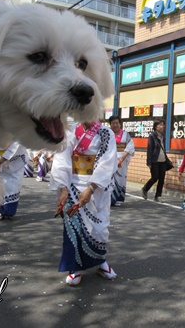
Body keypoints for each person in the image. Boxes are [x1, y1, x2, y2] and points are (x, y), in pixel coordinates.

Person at [50, 120, 118, 286]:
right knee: (74, 228)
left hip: (98, 188)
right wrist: (63, 187)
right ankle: (75, 268)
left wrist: (91, 188)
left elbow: (107, 162)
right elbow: (61, 157)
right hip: (72, 185)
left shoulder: (105, 132)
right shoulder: (69, 130)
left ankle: (100, 261)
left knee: (100, 228)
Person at [0, 142, 28, 221]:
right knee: (0, 187)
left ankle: (9, 212)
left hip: (16, 164)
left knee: (13, 188)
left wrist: (0, 161)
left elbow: (14, 148)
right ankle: (0, 211)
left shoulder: (16, 134)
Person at [109, 115, 134, 207]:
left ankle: (115, 199)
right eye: (113, 123)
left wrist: (123, 157)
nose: (115, 125)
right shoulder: (107, 133)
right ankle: (108, 199)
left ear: (120, 124)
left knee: (119, 180)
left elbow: (130, 146)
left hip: (121, 161)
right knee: (109, 180)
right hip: (109, 160)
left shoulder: (125, 134)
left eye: (117, 123)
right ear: (110, 125)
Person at [141, 120, 168, 202]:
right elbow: (150, 149)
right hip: (154, 160)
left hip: (163, 160)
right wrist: (149, 162)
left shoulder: (163, 136)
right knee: (155, 177)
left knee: (162, 178)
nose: (162, 126)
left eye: (163, 125)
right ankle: (145, 189)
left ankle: (158, 196)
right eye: (160, 125)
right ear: (156, 126)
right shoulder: (152, 136)